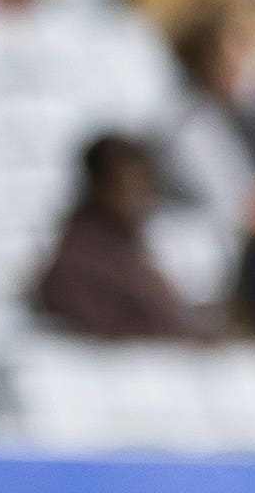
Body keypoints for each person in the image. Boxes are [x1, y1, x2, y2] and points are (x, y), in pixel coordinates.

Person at [29, 132, 210, 342]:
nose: (142, 196)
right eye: (129, 185)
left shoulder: (125, 248)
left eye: (145, 185)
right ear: (101, 188)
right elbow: (118, 335)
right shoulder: (80, 261)